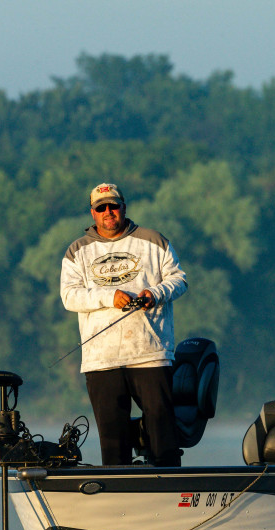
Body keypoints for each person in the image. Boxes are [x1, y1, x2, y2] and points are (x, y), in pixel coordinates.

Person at [60, 183, 188, 466]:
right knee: (113, 443)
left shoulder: (154, 240)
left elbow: (179, 280)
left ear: (123, 208)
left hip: (150, 355)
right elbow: (69, 296)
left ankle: (170, 491)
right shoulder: (76, 251)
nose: (108, 212)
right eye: (101, 208)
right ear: (92, 213)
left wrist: (154, 294)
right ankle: (120, 500)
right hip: (100, 360)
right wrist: (110, 297)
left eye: (113, 206)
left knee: (162, 434)